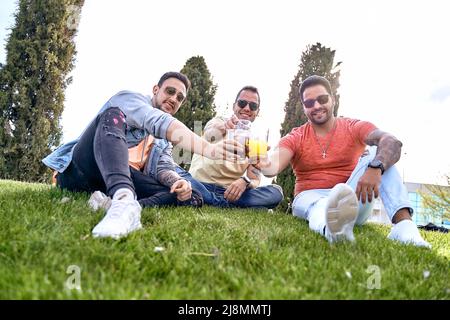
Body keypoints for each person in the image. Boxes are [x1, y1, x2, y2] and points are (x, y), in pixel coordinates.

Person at [43, 72, 240, 239]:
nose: (174, 99)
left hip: (110, 184)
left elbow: (163, 168)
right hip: (82, 169)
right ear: (156, 90)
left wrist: (178, 182)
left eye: (180, 98)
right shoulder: (129, 100)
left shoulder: (162, 141)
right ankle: (123, 198)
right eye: (170, 91)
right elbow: (158, 121)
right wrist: (209, 149)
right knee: (112, 114)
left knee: (190, 196)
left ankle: (117, 206)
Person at [258, 75, 430, 248]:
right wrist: (262, 162)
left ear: (332, 100)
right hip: (310, 196)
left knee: (379, 152)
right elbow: (273, 165)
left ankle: (404, 227)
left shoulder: (352, 126)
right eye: (309, 103)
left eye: (322, 99)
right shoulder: (296, 136)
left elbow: (392, 142)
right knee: (318, 205)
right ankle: (332, 230)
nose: (316, 106)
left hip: (353, 195)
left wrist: (376, 167)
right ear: (304, 108)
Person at [176, 86, 283, 209]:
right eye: (242, 103)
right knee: (177, 173)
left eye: (253, 106)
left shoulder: (257, 141)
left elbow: (254, 178)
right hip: (200, 184)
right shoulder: (219, 121)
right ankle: (226, 204)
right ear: (234, 106)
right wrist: (225, 127)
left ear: (257, 112)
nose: (247, 108)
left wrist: (245, 181)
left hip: (229, 192)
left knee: (276, 192)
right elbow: (209, 133)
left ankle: (208, 200)